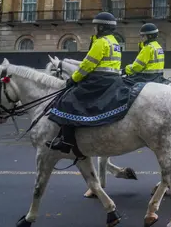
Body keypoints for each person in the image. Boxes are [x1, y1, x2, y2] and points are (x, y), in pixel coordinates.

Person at [46, 12, 132, 156]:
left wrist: (73, 79)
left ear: (102, 28)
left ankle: (66, 142)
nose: (94, 29)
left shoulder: (101, 42)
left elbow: (87, 65)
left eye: (96, 27)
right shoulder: (115, 43)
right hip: (114, 80)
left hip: (99, 80)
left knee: (67, 100)